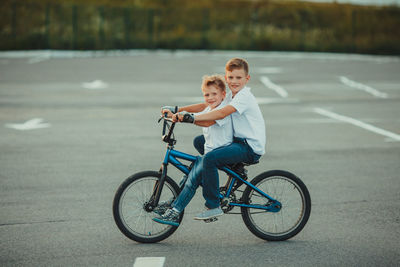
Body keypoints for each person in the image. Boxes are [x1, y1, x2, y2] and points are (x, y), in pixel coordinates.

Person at [169, 58, 266, 221]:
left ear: (246, 79)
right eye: (231, 77)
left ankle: (213, 205)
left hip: (249, 147)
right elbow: (207, 105)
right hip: (237, 142)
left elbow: (221, 113)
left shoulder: (244, 97)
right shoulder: (230, 95)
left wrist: (190, 119)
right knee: (199, 142)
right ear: (226, 78)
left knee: (210, 159)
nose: (234, 81)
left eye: (238, 78)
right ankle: (232, 170)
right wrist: (178, 110)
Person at [153, 74, 233, 226]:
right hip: (211, 152)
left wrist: (185, 118)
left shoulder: (222, 110)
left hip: (220, 154)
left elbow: (207, 121)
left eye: (214, 94)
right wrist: (177, 112)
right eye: (206, 94)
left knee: (192, 179)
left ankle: (176, 211)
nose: (210, 97)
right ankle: (173, 201)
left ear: (223, 95)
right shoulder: (210, 107)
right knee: (189, 173)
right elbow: (199, 111)